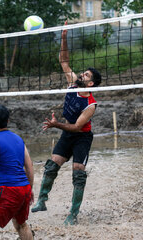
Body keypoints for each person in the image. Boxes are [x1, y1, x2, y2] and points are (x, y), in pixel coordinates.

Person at [31, 22, 102, 225]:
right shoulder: (72, 83)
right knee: (51, 166)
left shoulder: (91, 104)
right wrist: (63, 37)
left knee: (78, 172)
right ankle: (42, 201)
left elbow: (77, 127)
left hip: (81, 137)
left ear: (91, 84)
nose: (81, 74)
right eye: (83, 73)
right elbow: (63, 61)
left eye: (86, 75)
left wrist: (56, 125)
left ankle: (73, 214)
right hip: (66, 133)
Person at [0, 105, 34, 240]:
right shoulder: (18, 139)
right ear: (8, 121)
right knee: (20, 224)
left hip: (9, 190)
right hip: (24, 188)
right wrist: (29, 189)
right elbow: (29, 166)